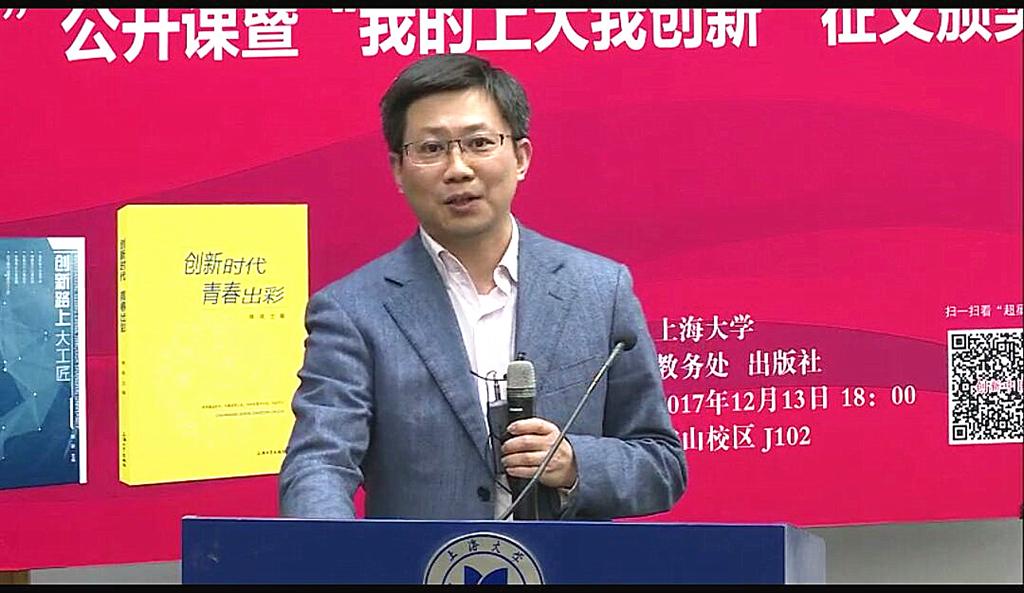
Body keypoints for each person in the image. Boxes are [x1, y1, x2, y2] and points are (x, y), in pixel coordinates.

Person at [278, 53, 686, 521]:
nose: (458, 168)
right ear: (398, 169)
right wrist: (327, 547)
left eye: (478, 143)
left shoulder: (599, 289)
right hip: (422, 560)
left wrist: (576, 463)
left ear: (521, 157)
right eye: (431, 148)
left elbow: (661, 464)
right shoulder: (352, 310)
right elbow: (319, 462)